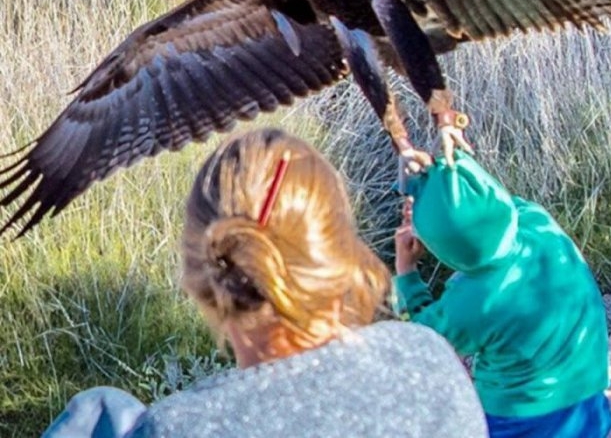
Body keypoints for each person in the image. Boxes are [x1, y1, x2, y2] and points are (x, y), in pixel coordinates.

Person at [43, 128, 488, 438]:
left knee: (100, 412)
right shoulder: (429, 363)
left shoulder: (176, 428)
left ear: (199, 275)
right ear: (341, 252)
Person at [393, 149, 611, 438]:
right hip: (588, 398)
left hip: (522, 421)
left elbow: (423, 342)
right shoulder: (537, 221)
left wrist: (406, 272)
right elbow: (489, 206)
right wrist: (444, 180)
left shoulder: (475, 301)